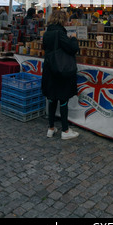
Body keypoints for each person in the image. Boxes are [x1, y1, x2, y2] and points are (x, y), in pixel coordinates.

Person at [42, 9, 79, 140]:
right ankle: (65, 130)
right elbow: (73, 49)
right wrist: (73, 39)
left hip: (49, 69)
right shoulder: (60, 33)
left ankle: (51, 128)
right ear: (62, 20)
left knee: (52, 98)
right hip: (60, 70)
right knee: (63, 100)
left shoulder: (47, 33)